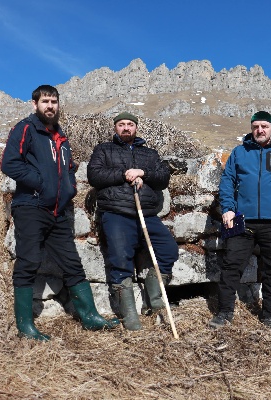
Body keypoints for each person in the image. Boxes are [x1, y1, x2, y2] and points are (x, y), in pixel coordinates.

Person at [0, 85, 119, 341]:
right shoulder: (26, 129)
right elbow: (9, 163)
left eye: (54, 101)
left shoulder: (61, 138)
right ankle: (25, 326)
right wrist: (40, 182)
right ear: (35, 104)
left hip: (58, 212)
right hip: (30, 207)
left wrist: (69, 188)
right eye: (45, 101)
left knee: (72, 264)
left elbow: (70, 168)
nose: (50, 106)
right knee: (28, 261)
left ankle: (90, 317)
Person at [209, 111, 271, 333]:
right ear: (251, 128)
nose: (260, 130)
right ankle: (224, 312)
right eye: (256, 126)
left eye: (264, 126)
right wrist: (228, 209)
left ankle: (269, 316)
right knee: (231, 265)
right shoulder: (239, 152)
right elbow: (227, 181)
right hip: (242, 220)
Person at [87, 112, 179, 331]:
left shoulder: (149, 154)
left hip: (146, 214)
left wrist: (143, 172)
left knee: (168, 250)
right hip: (116, 212)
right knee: (121, 260)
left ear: (136, 128)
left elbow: (163, 178)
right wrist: (125, 174)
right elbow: (95, 176)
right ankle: (129, 315)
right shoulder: (104, 150)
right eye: (121, 125)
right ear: (115, 128)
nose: (126, 128)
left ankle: (154, 301)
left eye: (130, 124)